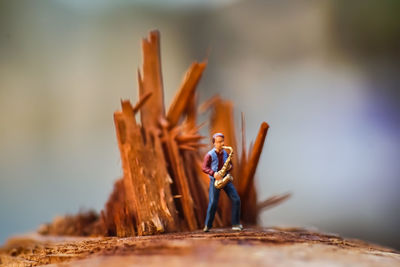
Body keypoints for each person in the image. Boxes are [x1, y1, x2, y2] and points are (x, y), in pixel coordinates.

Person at [201, 132, 243, 232]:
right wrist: (213, 173)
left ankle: (236, 223)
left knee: (236, 199)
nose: (222, 144)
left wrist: (229, 167)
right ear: (214, 143)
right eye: (219, 142)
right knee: (213, 203)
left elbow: (231, 165)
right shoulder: (209, 155)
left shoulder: (226, 153)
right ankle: (207, 225)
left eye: (222, 141)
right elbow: (204, 168)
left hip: (225, 179)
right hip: (215, 180)